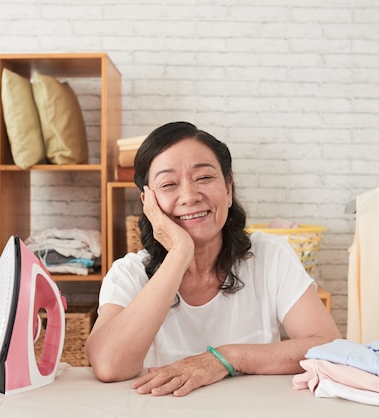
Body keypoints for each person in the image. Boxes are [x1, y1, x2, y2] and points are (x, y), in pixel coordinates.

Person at [85, 121, 341, 396]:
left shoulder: (270, 256)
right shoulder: (128, 273)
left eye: (204, 178)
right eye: (169, 184)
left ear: (228, 188)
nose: (190, 196)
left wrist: (226, 358)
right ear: (149, 202)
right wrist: (181, 251)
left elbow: (328, 349)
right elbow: (108, 365)